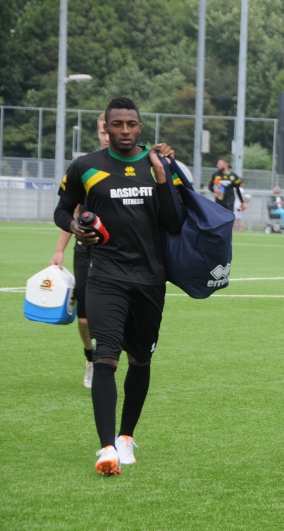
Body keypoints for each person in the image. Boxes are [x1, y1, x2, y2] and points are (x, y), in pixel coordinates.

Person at [53, 96, 182, 476]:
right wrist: (75, 227)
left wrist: (162, 176)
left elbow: (173, 221)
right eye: (117, 124)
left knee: (141, 359)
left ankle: (126, 436)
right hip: (105, 275)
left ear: (139, 127)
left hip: (150, 279)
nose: (124, 130)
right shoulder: (85, 167)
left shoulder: (158, 164)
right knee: (106, 356)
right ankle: (107, 447)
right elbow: (62, 208)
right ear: (106, 128)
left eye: (131, 124)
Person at [50, 112, 110, 388]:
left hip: (119, 251)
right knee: (84, 319)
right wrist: (60, 249)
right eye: (103, 131)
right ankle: (91, 360)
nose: (108, 136)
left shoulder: (135, 168)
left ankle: (109, 360)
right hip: (86, 251)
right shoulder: (86, 168)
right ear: (98, 134)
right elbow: (71, 212)